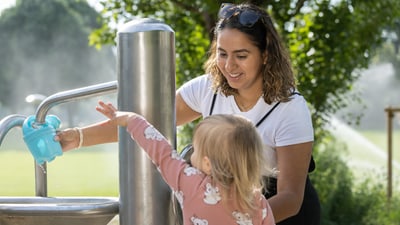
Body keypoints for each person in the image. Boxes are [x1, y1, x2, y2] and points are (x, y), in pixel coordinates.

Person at [56, 2, 320, 224]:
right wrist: (76, 137)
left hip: (278, 211)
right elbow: (147, 126)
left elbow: (290, 197)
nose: (229, 66)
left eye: (241, 55)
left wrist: (235, 219)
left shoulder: (290, 108)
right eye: (222, 53)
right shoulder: (207, 88)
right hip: (217, 202)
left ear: (265, 55)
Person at [91, 101, 275, 225]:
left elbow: (162, 153)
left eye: (195, 148)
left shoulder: (192, 184)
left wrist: (131, 120)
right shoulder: (258, 201)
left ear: (207, 164)